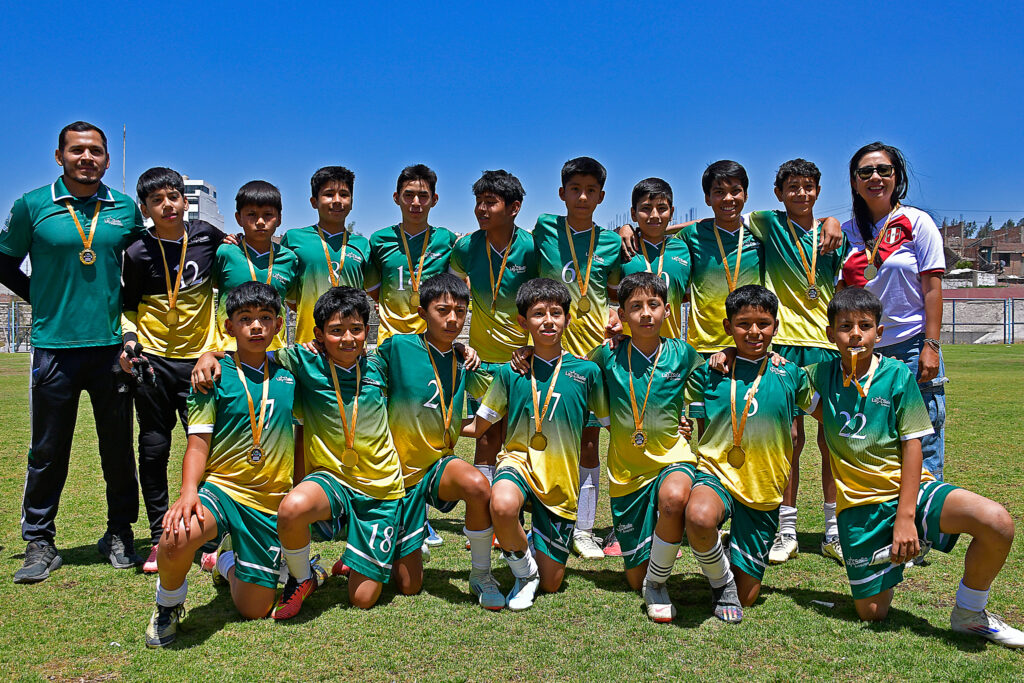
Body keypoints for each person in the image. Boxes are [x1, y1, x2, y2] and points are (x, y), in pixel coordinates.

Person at [805, 287, 1022, 647]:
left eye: (865, 325)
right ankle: (890, 553)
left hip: (910, 490)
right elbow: (767, 374)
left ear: (880, 333)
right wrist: (729, 353)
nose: (855, 334)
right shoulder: (817, 376)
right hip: (859, 508)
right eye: (845, 326)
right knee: (872, 613)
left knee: (997, 523)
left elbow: (913, 445)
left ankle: (970, 613)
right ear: (831, 334)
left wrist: (905, 517)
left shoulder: (895, 375)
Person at [1, 121, 145, 582]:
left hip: (110, 350)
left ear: (107, 159)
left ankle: (119, 532)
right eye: (78, 150)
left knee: (117, 449)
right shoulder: (32, 205)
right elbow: (4, 261)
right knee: (47, 450)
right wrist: (36, 298)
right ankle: (40, 541)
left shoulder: (124, 210)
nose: (88, 158)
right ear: (59, 156)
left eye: (96, 151)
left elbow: (148, 263)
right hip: (53, 349)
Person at [145, 282, 301, 647]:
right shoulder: (210, 376)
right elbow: (198, 445)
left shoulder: (292, 369)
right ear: (230, 327)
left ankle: (227, 561)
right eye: (246, 319)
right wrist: (187, 493)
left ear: (278, 324)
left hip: (270, 502)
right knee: (175, 535)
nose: (257, 327)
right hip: (224, 490)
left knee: (254, 609)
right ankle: (167, 606)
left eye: (265, 318)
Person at [463, 278, 608, 610]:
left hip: (560, 481)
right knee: (501, 505)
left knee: (553, 583)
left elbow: (614, 421)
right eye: (538, 313)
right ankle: (524, 573)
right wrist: (433, 428)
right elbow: (479, 426)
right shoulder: (509, 373)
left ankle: (534, 548)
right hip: (518, 463)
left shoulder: (587, 372)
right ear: (522, 321)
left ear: (568, 319)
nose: (548, 321)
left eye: (556, 313)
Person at [737, 159, 847, 565]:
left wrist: (835, 220)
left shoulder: (836, 235)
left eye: (808, 186)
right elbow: (715, 219)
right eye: (793, 187)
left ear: (818, 190)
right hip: (781, 345)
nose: (801, 193)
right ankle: (786, 528)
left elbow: (855, 278)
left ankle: (834, 530)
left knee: (832, 438)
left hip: (825, 347)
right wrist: (638, 230)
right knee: (790, 440)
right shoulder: (767, 222)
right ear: (779, 192)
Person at [684, 285, 813, 624]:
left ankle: (727, 557)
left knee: (749, 598)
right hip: (717, 473)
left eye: (763, 323)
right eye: (743, 324)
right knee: (698, 517)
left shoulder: (791, 374)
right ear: (728, 327)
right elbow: (691, 419)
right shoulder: (709, 373)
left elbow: (823, 408)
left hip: (763, 487)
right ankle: (722, 580)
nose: (754, 332)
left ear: (775, 325)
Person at [375, 274, 503, 609]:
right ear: (422, 312)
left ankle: (480, 574)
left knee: (478, 485)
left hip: (437, 467)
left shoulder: (464, 360)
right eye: (442, 310)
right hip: (393, 477)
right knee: (408, 586)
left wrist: (524, 355)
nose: (452, 319)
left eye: (460, 312)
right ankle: (389, 548)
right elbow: (356, 367)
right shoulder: (399, 347)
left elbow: (498, 395)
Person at [121, 167, 226, 572]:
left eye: (173, 197)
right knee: (154, 447)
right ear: (145, 208)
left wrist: (215, 349)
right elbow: (127, 306)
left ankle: (211, 532)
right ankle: (160, 533)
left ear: (185, 200)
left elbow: (231, 279)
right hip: (153, 363)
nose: (167, 205)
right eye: (156, 200)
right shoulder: (136, 251)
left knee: (209, 449)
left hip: (200, 362)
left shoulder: (206, 237)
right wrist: (131, 341)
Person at [588, 272, 702, 621]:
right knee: (633, 576)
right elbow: (570, 374)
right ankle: (650, 573)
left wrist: (727, 352)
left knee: (674, 500)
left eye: (653, 304)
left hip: (673, 458)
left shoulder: (683, 354)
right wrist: (528, 352)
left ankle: (658, 585)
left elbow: (714, 388)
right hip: (626, 472)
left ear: (667, 310)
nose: (646, 313)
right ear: (621, 315)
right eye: (635, 307)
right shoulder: (606, 356)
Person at [840, 142, 948, 481]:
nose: (875, 177)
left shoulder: (917, 222)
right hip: (865, 352)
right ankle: (885, 525)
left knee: (923, 439)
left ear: (895, 177)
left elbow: (932, 288)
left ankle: (926, 531)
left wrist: (931, 346)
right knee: (875, 439)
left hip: (913, 347)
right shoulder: (846, 233)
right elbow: (841, 295)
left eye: (883, 170)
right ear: (855, 182)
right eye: (866, 172)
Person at [531, 156, 621, 559]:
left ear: (601, 196)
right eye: (574, 189)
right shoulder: (544, 229)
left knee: (589, 442)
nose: (582, 197)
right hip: (550, 353)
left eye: (590, 190)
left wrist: (617, 316)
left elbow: (619, 292)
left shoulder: (614, 243)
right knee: (536, 437)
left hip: (594, 359)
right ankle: (531, 522)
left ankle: (584, 528)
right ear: (561, 193)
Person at [449, 170, 538, 491]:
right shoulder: (466, 248)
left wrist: (532, 347)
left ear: (514, 207)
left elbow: (543, 299)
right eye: (478, 202)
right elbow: (452, 290)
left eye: (490, 203)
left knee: (520, 442)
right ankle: (484, 515)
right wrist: (458, 342)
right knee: (485, 439)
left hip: (521, 366)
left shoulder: (532, 248)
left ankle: (510, 510)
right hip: (481, 365)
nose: (481, 209)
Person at [280, 166, 376, 345]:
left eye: (344, 195)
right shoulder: (294, 239)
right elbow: (291, 299)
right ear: (314, 201)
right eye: (329, 194)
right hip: (309, 344)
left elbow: (371, 293)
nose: (337, 200)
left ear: (352, 202)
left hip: (350, 344)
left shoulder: (362, 245)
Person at [676, 161, 763, 357]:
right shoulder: (691, 235)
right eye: (719, 192)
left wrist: (832, 222)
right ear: (707, 198)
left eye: (735, 191)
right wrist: (629, 228)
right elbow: (655, 239)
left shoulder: (760, 233)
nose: (728, 198)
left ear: (746, 195)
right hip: (704, 346)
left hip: (753, 344)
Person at [367, 164, 457, 344]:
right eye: (408, 195)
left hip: (431, 339)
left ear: (434, 199)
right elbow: (375, 292)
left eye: (423, 196)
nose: (416, 202)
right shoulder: (378, 240)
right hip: (390, 340)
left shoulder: (446, 239)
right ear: (396, 197)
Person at [215, 180, 298, 351]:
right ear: (238, 218)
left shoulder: (289, 259)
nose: (260, 221)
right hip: (229, 350)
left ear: (280, 218)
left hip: (274, 351)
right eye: (251, 214)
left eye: (268, 214)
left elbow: (292, 300)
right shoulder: (225, 253)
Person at [619, 179, 691, 340]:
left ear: (672, 213)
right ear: (633, 213)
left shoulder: (684, 250)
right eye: (646, 208)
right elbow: (609, 298)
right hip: (629, 350)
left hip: (671, 350)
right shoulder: (623, 248)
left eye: (662, 209)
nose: (654, 215)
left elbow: (683, 296)